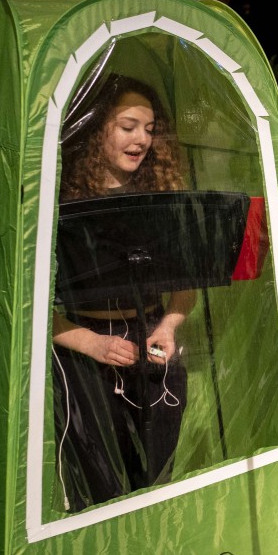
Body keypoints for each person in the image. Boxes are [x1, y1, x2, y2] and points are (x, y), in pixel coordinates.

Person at [51, 72, 194, 511]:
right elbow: (23, 300)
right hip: (82, 358)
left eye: (149, 129)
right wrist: (91, 343)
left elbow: (187, 284)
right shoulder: (58, 201)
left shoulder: (161, 196)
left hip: (151, 348)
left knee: (157, 480)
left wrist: (167, 327)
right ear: (97, 130)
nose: (142, 140)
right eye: (128, 126)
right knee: (100, 489)